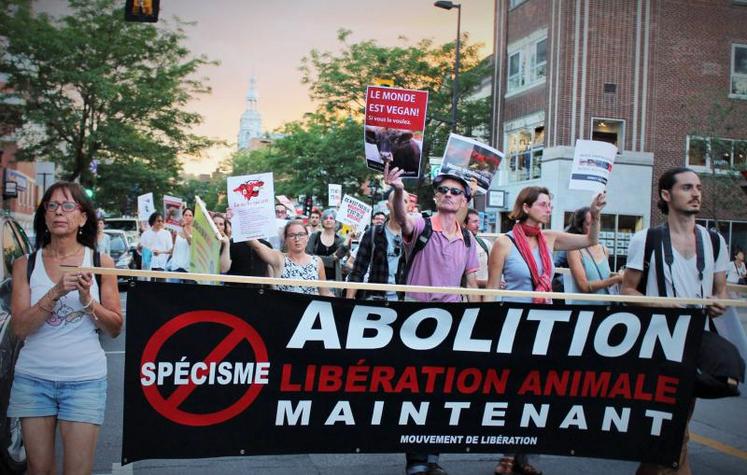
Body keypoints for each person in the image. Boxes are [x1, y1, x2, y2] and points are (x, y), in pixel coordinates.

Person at [487, 186, 606, 475]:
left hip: (545, 324)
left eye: (550, 203)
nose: (548, 208)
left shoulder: (550, 239)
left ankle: (526, 459)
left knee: (538, 393)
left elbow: (590, 239)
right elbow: (491, 289)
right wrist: (489, 326)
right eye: (542, 203)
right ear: (526, 207)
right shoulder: (503, 243)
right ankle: (507, 453)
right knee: (513, 392)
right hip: (514, 324)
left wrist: (597, 213)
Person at [8, 181, 123, 474]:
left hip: (84, 380)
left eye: (68, 206)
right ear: (45, 215)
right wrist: (54, 292)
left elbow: (114, 328)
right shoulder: (26, 264)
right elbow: (20, 328)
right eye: (53, 206)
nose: (60, 212)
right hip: (33, 378)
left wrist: (88, 300)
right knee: (39, 470)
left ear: (83, 217)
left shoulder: (100, 263)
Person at [621, 167, 728, 475]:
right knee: (671, 425)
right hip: (658, 344)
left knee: (673, 426)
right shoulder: (647, 239)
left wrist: (718, 303)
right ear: (666, 195)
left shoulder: (715, 241)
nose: (696, 193)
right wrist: (663, 301)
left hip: (696, 344)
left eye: (698, 187)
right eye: (687, 187)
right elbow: (627, 289)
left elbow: (719, 291)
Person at [385, 163, 480, 475]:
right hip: (417, 319)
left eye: (455, 191)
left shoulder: (468, 239)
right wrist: (399, 190)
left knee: (442, 390)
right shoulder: (422, 225)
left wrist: (479, 318)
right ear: (436, 196)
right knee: (417, 390)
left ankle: (433, 459)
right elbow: (402, 218)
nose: (448, 195)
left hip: (451, 322)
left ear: (465, 200)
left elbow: (473, 283)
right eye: (442, 190)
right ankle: (416, 461)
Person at [345, 188, 407, 301]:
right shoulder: (372, 233)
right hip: (375, 299)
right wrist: (349, 303)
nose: (400, 204)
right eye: (396, 200)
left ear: (409, 207)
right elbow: (358, 271)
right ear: (388, 205)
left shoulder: (414, 235)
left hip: (404, 301)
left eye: (404, 201)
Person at [248, 220, 333, 296]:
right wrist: (235, 221)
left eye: (301, 234)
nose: (297, 239)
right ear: (285, 239)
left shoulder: (317, 261)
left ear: (307, 237)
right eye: (292, 235)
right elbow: (257, 246)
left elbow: (324, 292)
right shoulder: (279, 258)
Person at [565, 206, 623, 305]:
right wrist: (616, 279)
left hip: (604, 310)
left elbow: (602, 277)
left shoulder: (604, 250)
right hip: (584, 311)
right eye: (589, 224)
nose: (595, 226)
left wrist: (618, 276)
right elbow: (584, 286)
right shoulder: (574, 250)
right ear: (580, 226)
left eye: (597, 222)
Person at [306, 209, 348, 282]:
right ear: (322, 221)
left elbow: (339, 255)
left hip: (333, 279)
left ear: (335, 221)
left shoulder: (340, 239)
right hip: (314, 277)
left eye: (331, 218)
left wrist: (349, 237)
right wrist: (331, 259)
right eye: (325, 218)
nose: (328, 220)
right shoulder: (315, 236)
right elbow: (308, 256)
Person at [464, 209, 491, 299]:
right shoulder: (458, 247)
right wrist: (487, 283)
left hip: (487, 298)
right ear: (464, 224)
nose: (478, 225)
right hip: (467, 298)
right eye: (474, 222)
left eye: (479, 222)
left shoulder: (485, 244)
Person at [167, 208, 193, 280]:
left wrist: (184, 228)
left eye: (190, 215)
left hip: (189, 268)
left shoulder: (195, 231)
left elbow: (190, 242)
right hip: (176, 267)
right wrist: (161, 252)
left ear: (193, 218)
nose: (188, 217)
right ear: (182, 216)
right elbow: (173, 248)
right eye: (186, 215)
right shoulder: (176, 230)